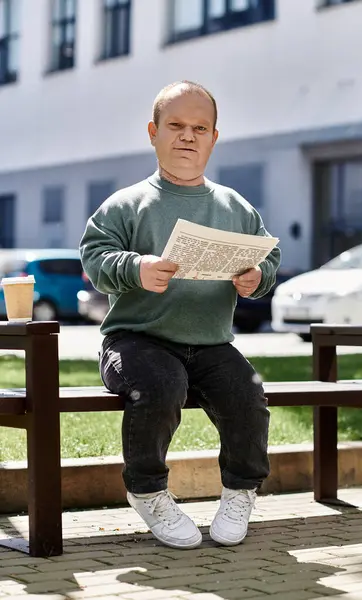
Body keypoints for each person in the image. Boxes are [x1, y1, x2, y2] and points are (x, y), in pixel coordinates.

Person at [80, 80, 281, 550]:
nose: (188, 136)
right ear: (153, 132)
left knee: (248, 396)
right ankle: (148, 491)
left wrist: (256, 277)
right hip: (137, 341)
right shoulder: (127, 204)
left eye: (199, 127)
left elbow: (267, 258)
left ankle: (240, 491)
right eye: (175, 125)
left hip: (211, 342)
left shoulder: (236, 206)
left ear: (214, 137)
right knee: (160, 386)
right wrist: (136, 267)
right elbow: (94, 259)